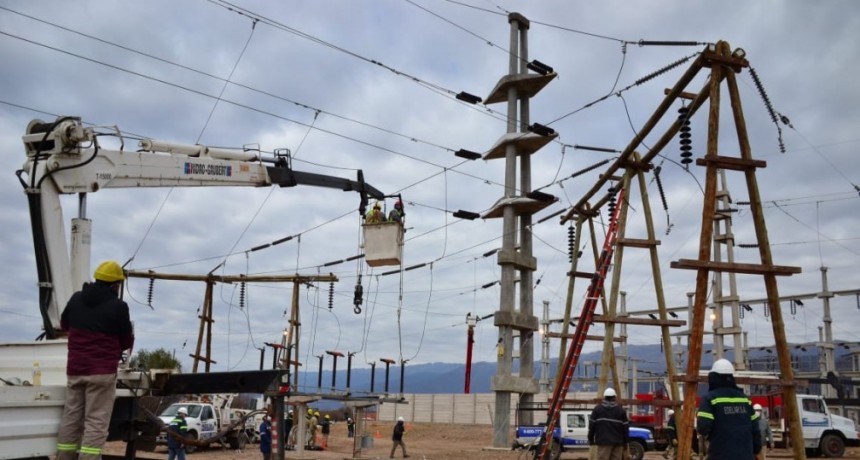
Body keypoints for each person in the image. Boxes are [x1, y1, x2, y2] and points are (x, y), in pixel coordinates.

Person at [56, 260, 134, 460]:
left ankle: (64, 457)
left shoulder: (76, 299)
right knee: (95, 421)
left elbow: (64, 324)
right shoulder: (119, 306)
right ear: (115, 285)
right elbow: (126, 341)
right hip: (101, 372)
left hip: (75, 370)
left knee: (71, 418)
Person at [697, 359, 762, 460]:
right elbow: (756, 430)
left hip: (720, 455)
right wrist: (756, 450)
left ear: (713, 377)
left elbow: (703, 427)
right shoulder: (745, 400)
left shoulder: (710, 399)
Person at [588, 387, 630, 460]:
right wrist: (625, 442)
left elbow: (592, 426)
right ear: (614, 397)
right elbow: (626, 429)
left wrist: (590, 439)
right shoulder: (621, 411)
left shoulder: (597, 409)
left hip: (603, 442)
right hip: (618, 443)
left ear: (604, 397)